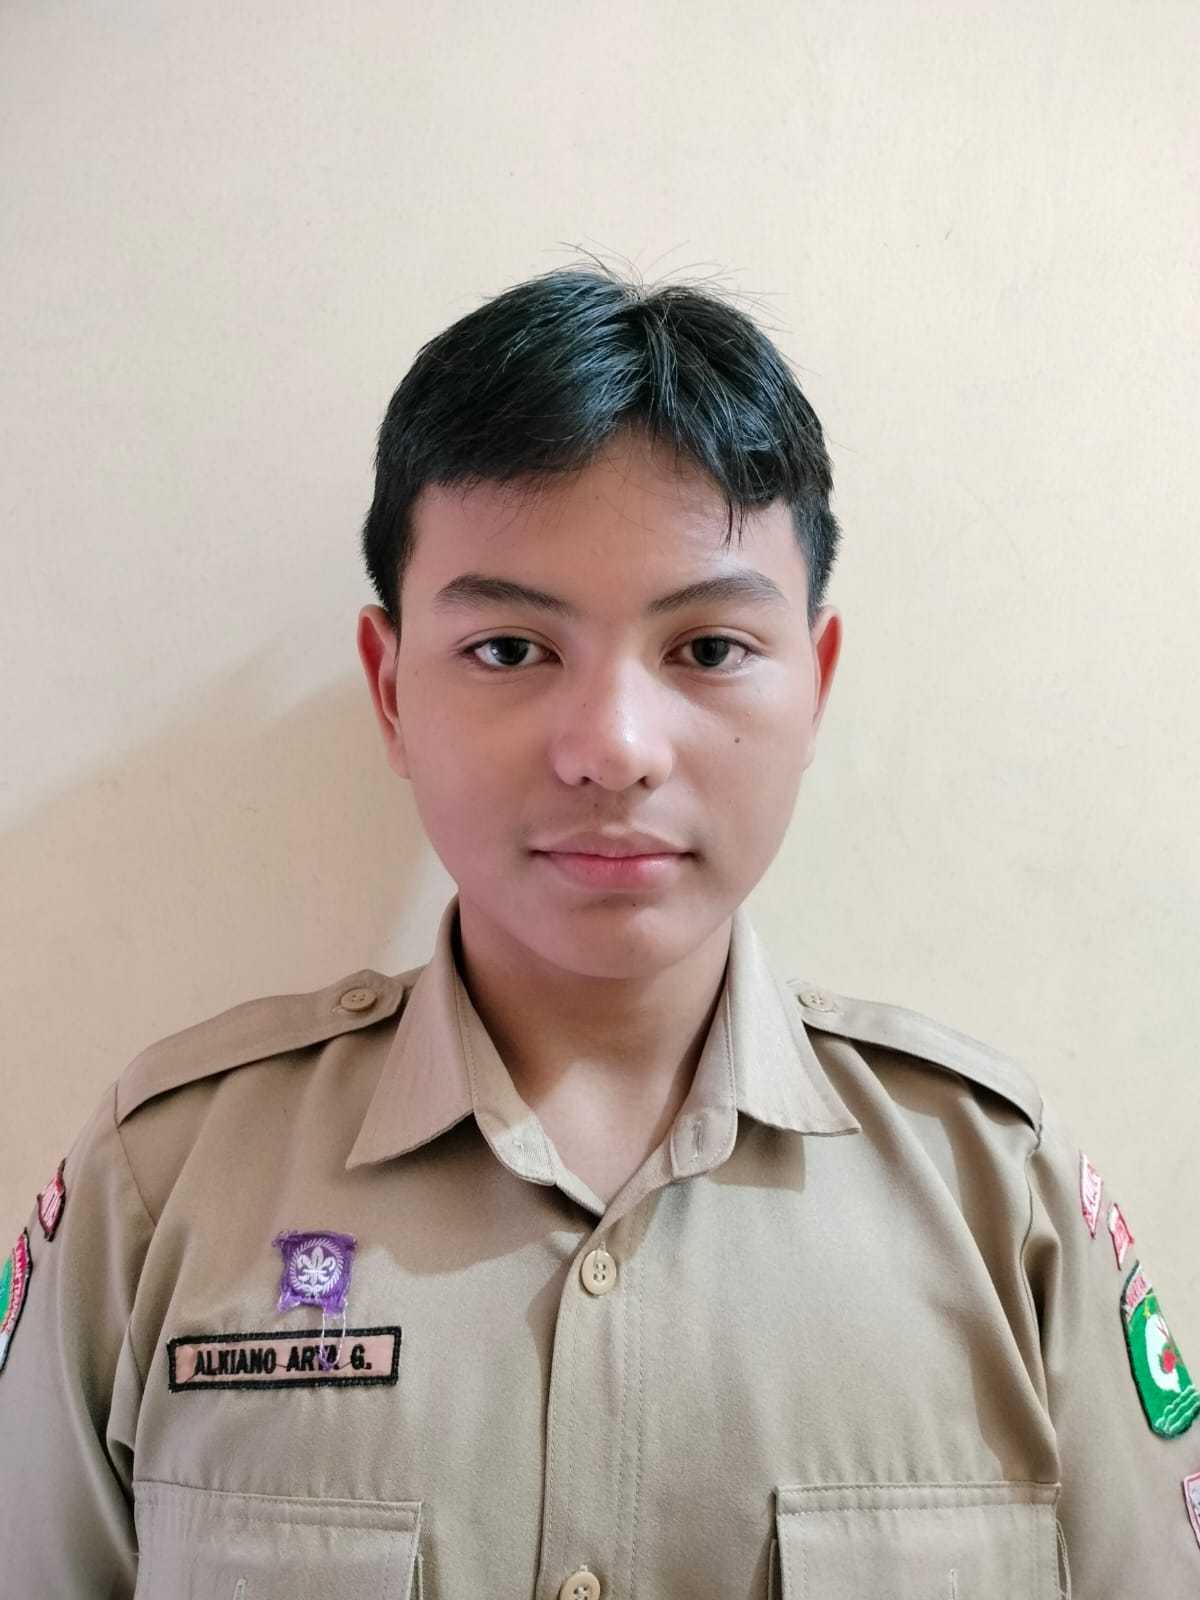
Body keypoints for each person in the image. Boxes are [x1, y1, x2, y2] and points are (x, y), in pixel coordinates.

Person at [0, 262, 1195, 1598]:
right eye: (511, 650)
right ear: (391, 691)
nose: (614, 748)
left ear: (815, 681)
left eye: (709, 650)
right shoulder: (165, 1188)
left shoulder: (998, 1199)